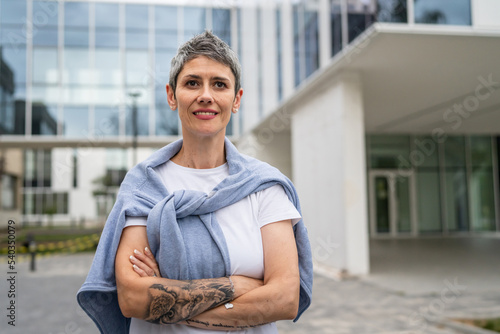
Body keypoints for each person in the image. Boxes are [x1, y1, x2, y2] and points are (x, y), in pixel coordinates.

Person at [77, 31, 312, 334]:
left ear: (236, 99)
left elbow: (284, 299)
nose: (206, 95)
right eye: (192, 83)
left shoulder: (265, 186)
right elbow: (134, 297)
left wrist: (167, 301)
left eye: (219, 84)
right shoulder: (144, 186)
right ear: (172, 96)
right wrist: (235, 286)